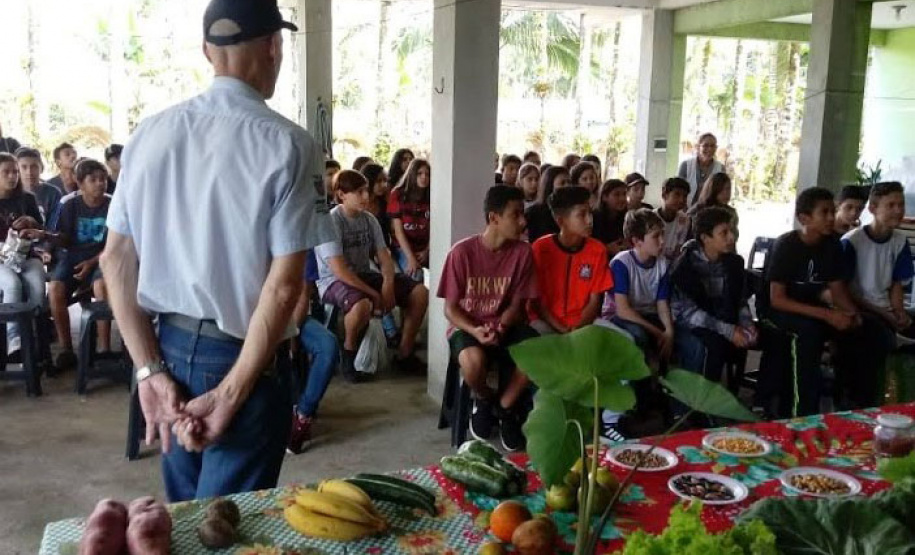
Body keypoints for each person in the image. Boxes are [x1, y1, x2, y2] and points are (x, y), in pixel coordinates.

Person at [101, 0, 325, 502]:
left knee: (184, 516)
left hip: (169, 350)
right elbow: (285, 283)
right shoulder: (291, 145)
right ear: (274, 47)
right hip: (244, 357)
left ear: (207, 51)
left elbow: (114, 260)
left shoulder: (149, 134)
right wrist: (231, 393)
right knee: (225, 523)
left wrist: (148, 371)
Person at [437, 185, 539, 451]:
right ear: (494, 218)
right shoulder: (461, 253)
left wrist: (502, 326)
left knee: (537, 350)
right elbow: (450, 309)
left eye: (522, 214)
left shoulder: (523, 253)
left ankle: (505, 408)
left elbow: (518, 304)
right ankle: (483, 398)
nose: (522, 221)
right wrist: (476, 329)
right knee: (473, 361)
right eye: (515, 215)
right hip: (468, 327)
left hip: (508, 325)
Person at [757, 187, 863, 417]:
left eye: (832, 211)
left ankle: (852, 404)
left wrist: (851, 315)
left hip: (812, 308)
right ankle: (800, 412)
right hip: (777, 312)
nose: (830, 218)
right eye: (824, 212)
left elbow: (837, 289)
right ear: (804, 218)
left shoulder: (833, 245)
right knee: (808, 333)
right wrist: (828, 315)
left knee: (865, 331)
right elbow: (777, 300)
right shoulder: (787, 245)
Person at [315, 170, 429, 380]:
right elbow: (339, 270)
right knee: (362, 305)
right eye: (359, 192)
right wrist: (374, 294)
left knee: (420, 292)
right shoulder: (331, 222)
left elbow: (384, 256)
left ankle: (404, 354)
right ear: (341, 195)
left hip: (362, 274)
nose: (366, 197)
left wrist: (387, 283)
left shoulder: (369, 219)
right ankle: (348, 356)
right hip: (333, 281)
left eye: (366, 191)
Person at [841, 181, 913, 408]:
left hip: (886, 308)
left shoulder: (900, 241)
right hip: (860, 308)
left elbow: (895, 284)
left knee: (903, 321)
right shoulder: (852, 241)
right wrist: (886, 314)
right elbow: (846, 290)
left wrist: (899, 312)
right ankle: (867, 402)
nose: (898, 211)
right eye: (890, 205)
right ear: (872, 208)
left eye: (901, 205)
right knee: (879, 335)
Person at [672, 207, 755, 387]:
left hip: (722, 317)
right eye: (723, 233)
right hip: (692, 322)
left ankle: (761, 401)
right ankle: (703, 403)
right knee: (715, 344)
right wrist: (729, 331)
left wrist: (747, 324)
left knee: (765, 337)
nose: (731, 237)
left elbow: (740, 300)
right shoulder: (684, 268)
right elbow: (690, 314)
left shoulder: (734, 263)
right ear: (705, 238)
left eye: (731, 231)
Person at [47, 159, 111, 370]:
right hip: (73, 257)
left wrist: (91, 263)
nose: (100, 184)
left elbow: (115, 245)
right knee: (55, 288)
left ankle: (105, 349)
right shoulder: (68, 204)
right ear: (80, 183)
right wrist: (47, 235)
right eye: (93, 180)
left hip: (103, 256)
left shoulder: (113, 204)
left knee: (101, 287)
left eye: (102, 179)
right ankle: (66, 350)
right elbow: (62, 238)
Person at [529, 186, 612, 335]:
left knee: (625, 339)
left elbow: (594, 301)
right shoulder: (541, 249)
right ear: (561, 221)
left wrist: (577, 329)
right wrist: (562, 329)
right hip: (545, 321)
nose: (589, 220)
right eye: (582, 215)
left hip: (585, 323)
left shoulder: (597, 250)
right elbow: (538, 302)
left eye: (590, 213)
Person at [286, 274, 340, 455]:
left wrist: (292, 334)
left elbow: (303, 296)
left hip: (295, 318)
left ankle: (303, 415)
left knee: (328, 345)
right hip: (260, 319)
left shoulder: (302, 248)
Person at [0, 153, 47, 353]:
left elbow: (41, 232)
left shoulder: (27, 198)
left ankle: (37, 336)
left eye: (15, 172)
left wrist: (31, 223)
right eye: (6, 172)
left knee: (38, 283)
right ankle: (14, 337)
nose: (12, 177)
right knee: (12, 284)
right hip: (1, 261)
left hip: (25, 256)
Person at [388, 158, 430, 281]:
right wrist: (411, 257)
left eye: (427, 174)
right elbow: (398, 232)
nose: (424, 177)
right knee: (415, 275)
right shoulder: (398, 194)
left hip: (425, 247)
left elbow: (436, 228)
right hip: (404, 247)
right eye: (419, 173)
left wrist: (427, 250)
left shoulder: (432, 194)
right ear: (412, 174)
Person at [14, 147, 63, 225]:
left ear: (41, 168)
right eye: (24, 167)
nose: (29, 172)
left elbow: (55, 226)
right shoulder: (10, 193)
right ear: (16, 170)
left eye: (34, 167)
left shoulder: (53, 193)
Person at [687, 172, 738, 243]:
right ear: (713, 189)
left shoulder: (731, 213)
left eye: (728, 189)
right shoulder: (698, 211)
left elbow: (734, 237)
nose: (726, 193)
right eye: (722, 189)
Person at [525, 165, 569, 242]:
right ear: (550, 185)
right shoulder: (533, 213)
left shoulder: (572, 211)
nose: (568, 186)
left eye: (569, 182)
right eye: (562, 183)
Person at [678, 132, 724, 205]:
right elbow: (678, 190)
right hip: (686, 210)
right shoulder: (686, 165)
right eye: (705, 145)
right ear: (698, 147)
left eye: (712, 146)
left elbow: (721, 194)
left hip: (710, 211)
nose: (709, 149)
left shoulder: (720, 168)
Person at [656, 177, 692, 261]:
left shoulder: (685, 219)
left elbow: (678, 250)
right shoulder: (651, 217)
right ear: (664, 195)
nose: (681, 200)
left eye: (685, 196)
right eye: (677, 194)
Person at [592, 179, 629, 257]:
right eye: (617, 195)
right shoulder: (594, 218)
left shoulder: (626, 217)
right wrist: (606, 249)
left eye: (624, 194)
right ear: (604, 197)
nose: (622, 198)